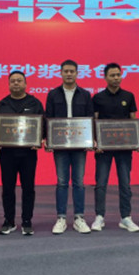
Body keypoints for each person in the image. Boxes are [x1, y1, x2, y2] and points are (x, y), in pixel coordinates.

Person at [46, 59, 94, 234]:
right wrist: (48, 139)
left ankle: (79, 218)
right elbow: (48, 118)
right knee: (62, 182)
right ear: (61, 73)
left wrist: (91, 140)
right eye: (65, 71)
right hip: (60, 145)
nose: (68, 74)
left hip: (80, 145)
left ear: (77, 73)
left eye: (72, 71)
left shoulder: (85, 95)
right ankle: (61, 218)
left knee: (79, 182)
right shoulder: (53, 94)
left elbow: (90, 119)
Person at [0, 71, 44, 236]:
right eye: (13, 81)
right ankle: (9, 221)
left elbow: (43, 125)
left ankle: (27, 221)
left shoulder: (35, 103)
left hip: (28, 153)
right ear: (8, 84)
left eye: (19, 81)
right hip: (7, 153)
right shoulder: (1, 105)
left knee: (28, 188)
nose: (16, 83)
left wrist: (40, 139)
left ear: (25, 84)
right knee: (7, 188)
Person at [91, 63, 139, 233]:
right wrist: (96, 142)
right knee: (101, 183)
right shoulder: (98, 98)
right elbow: (95, 122)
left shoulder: (129, 96)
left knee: (125, 183)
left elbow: (133, 121)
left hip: (124, 148)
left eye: (118, 74)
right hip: (103, 149)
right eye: (112, 75)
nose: (116, 78)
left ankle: (126, 217)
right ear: (105, 77)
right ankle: (99, 216)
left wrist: (136, 142)